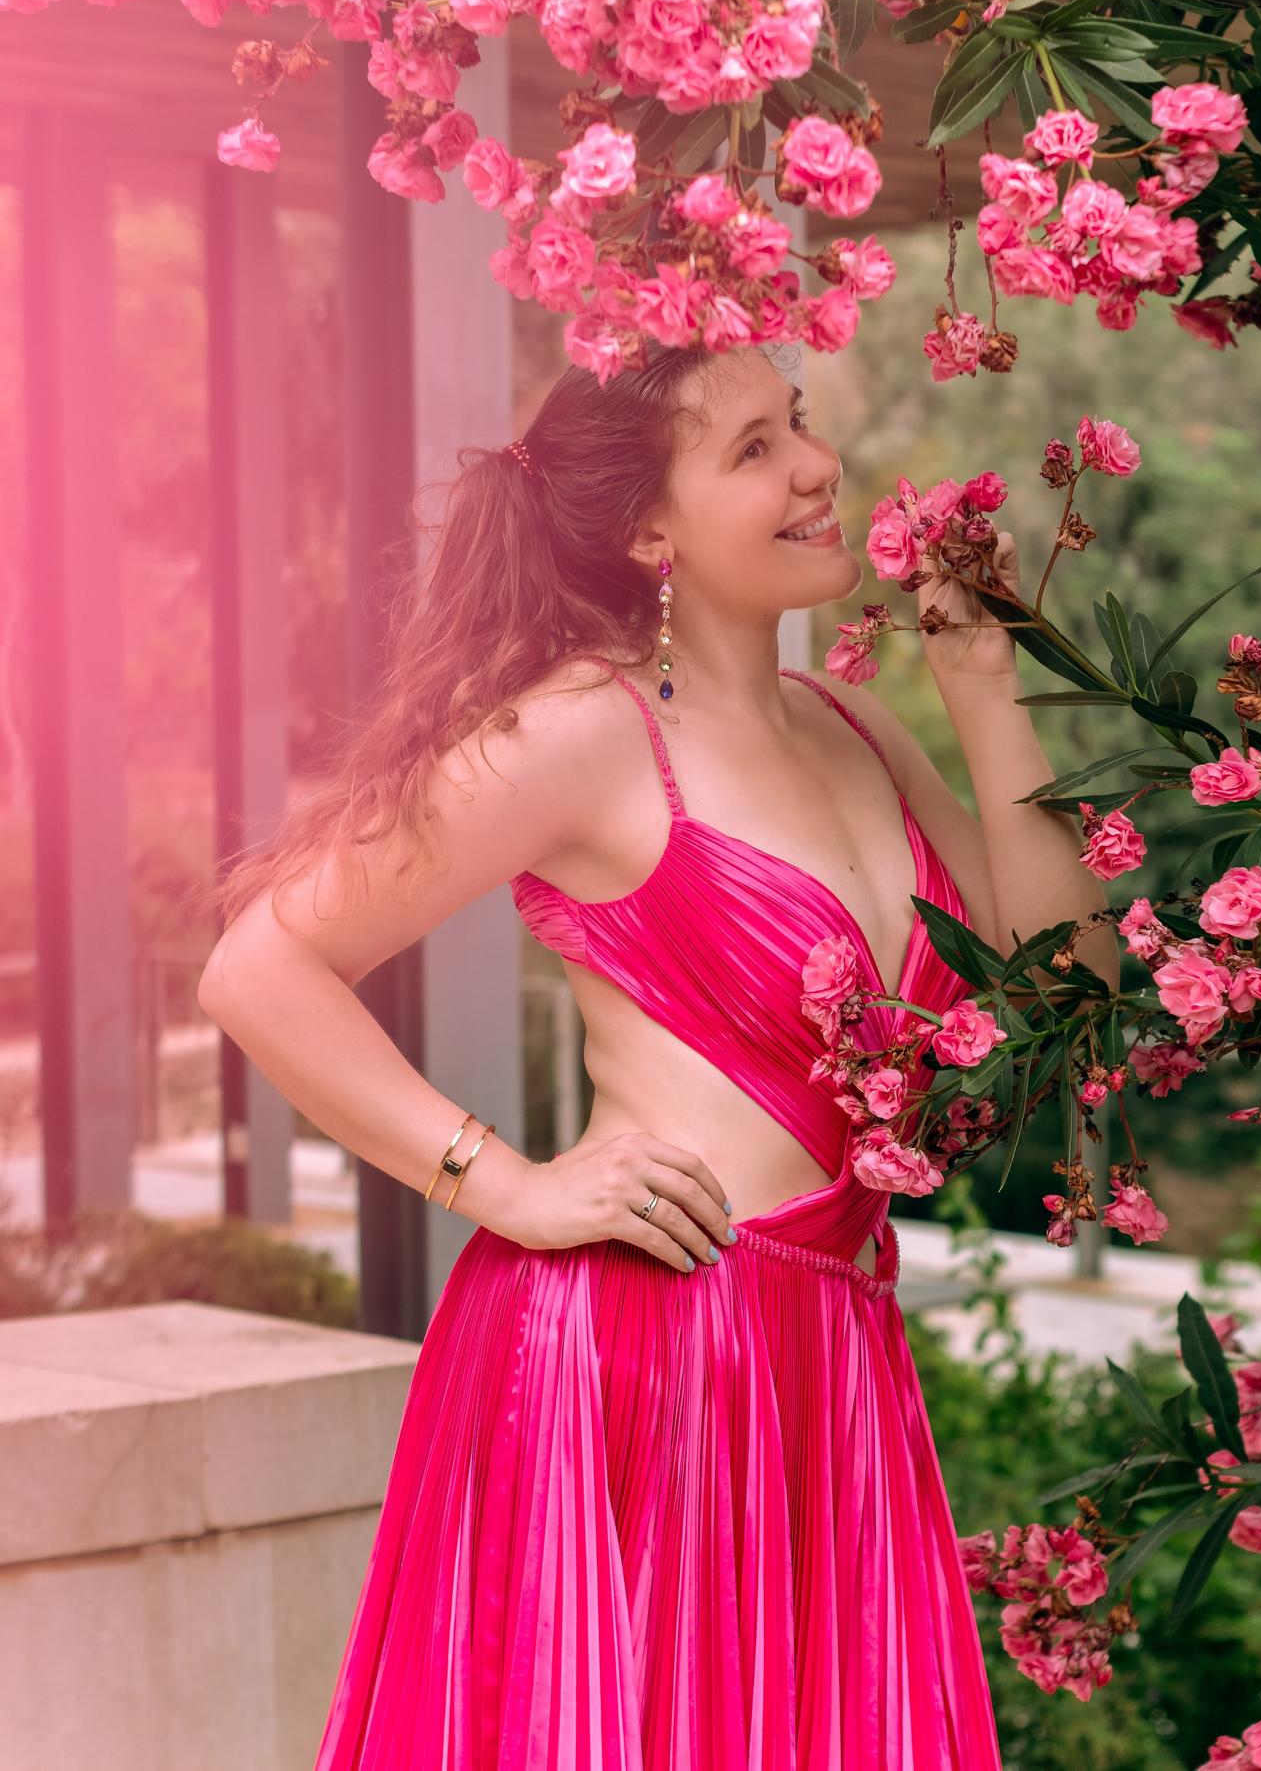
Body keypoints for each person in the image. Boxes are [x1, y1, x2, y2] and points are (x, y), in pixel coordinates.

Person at [198, 339, 1106, 1768]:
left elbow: (1070, 991)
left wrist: (984, 686)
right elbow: (258, 967)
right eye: (753, 449)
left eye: (798, 424)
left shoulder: (860, 725)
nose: (816, 467)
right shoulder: (578, 732)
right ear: (647, 534)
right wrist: (502, 1182)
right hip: (637, 1345)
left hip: (829, 1356)